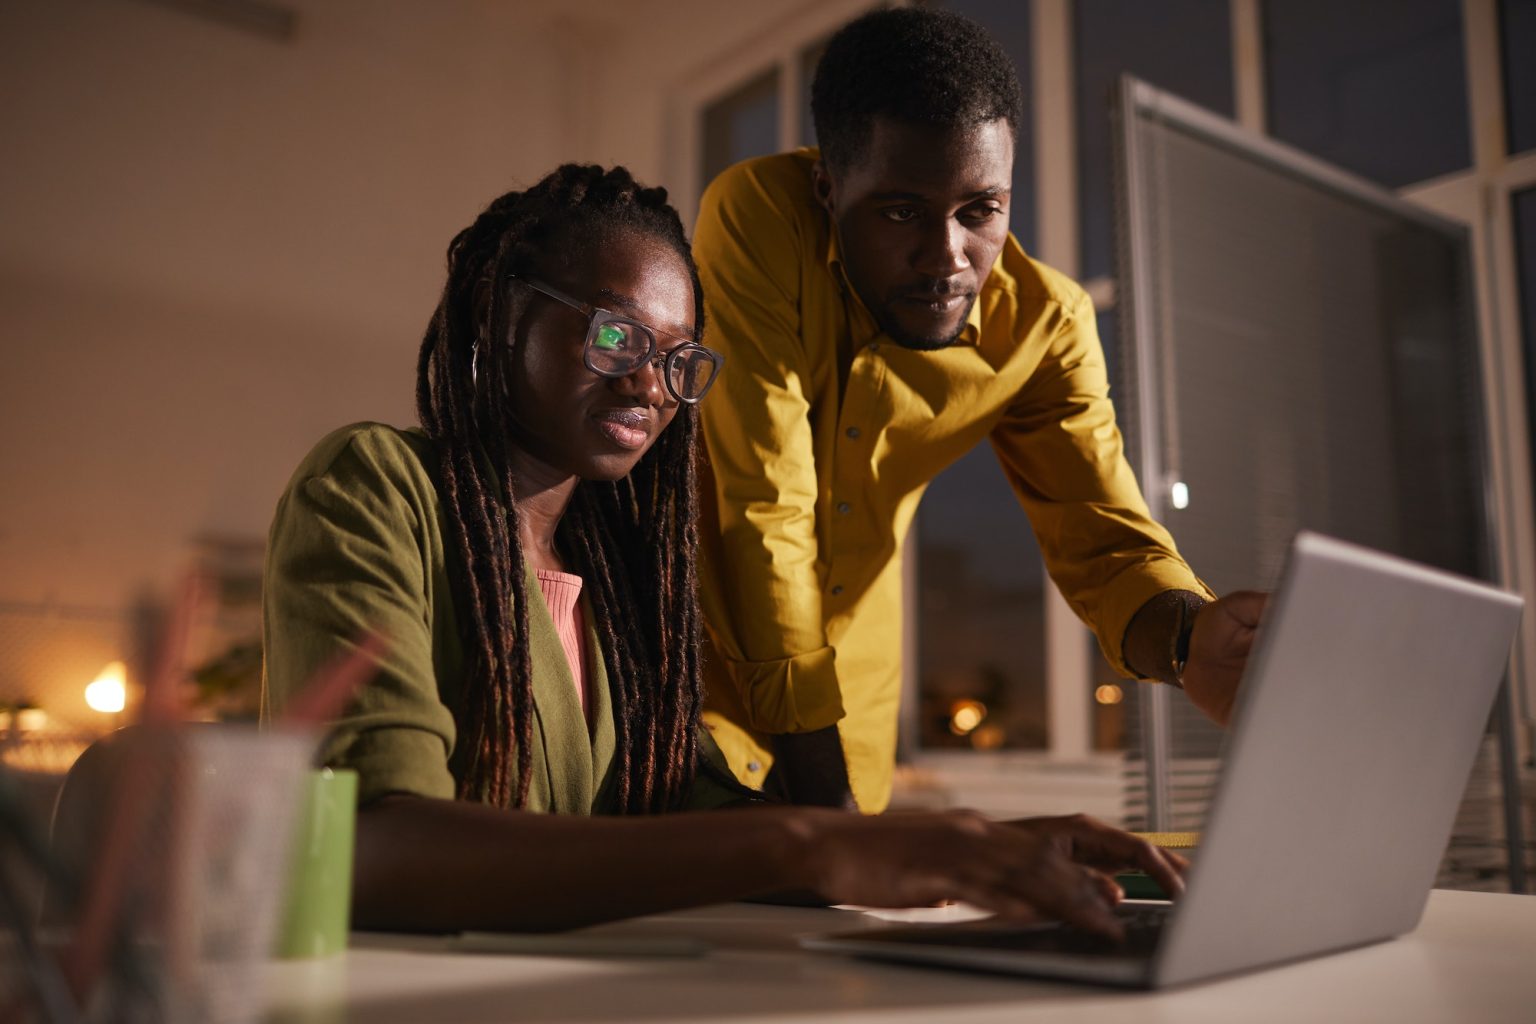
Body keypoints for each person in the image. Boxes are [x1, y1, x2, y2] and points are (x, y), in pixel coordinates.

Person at [260, 164, 1187, 936]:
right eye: (616, 334)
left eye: (678, 360)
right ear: (504, 319)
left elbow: (704, 825)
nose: (652, 385)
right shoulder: (374, 485)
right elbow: (367, 852)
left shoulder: (627, 576)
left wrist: (982, 841)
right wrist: (814, 842)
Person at [692, 7, 1266, 812]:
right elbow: (765, 505)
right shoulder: (760, 214)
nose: (947, 257)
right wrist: (830, 817)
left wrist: (1188, 639)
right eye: (900, 211)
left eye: (980, 210)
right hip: (684, 689)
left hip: (846, 720)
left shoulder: (1047, 323)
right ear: (827, 186)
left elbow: (1103, 535)